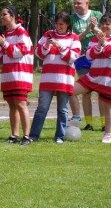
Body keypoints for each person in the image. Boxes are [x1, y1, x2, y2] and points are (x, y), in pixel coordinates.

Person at [28, 12, 82, 144]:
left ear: (67, 24)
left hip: (64, 80)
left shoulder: (74, 38)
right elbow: (38, 53)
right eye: (57, 24)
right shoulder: (48, 34)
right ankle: (34, 135)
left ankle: (59, 136)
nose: (58, 27)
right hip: (48, 79)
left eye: (61, 24)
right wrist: (46, 45)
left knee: (62, 109)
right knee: (42, 108)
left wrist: (59, 46)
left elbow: (72, 57)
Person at [73, 13, 111, 144]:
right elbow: (89, 56)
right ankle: (76, 118)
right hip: (93, 77)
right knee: (69, 90)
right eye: (103, 24)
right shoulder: (94, 39)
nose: (105, 26)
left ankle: (107, 134)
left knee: (109, 108)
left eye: (108, 24)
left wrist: (104, 42)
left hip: (109, 80)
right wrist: (99, 45)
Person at [0, 7, 33, 144]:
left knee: (21, 104)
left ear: (13, 16)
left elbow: (20, 51)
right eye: (1, 14)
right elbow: (1, 54)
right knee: (12, 104)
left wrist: (4, 44)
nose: (2, 17)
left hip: (20, 75)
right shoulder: (5, 33)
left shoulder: (21, 31)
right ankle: (14, 135)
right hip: (9, 75)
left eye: (4, 14)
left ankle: (27, 136)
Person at [69, 0, 103, 131]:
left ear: (87, 3)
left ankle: (104, 124)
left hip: (98, 56)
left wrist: (95, 28)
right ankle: (89, 123)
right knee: (86, 91)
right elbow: (73, 39)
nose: (76, 5)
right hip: (82, 58)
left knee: (101, 91)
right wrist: (87, 30)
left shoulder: (97, 15)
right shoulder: (72, 19)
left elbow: (104, 35)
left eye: (79, 3)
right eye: (75, 3)